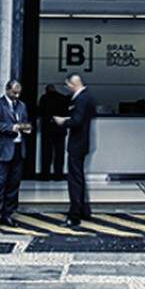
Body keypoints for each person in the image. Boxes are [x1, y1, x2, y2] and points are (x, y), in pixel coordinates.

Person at [0, 79, 30, 231]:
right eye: (14, 92)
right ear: (7, 89)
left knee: (13, 185)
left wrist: (26, 127)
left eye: (19, 93)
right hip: (2, 151)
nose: (17, 96)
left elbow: (25, 122)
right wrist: (11, 127)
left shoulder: (22, 105)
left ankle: (8, 215)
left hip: (18, 150)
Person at [53, 72, 97, 227]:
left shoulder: (80, 99)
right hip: (83, 143)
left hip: (77, 144)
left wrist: (63, 122)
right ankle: (84, 211)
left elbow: (77, 121)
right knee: (79, 178)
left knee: (74, 180)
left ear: (73, 84)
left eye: (68, 85)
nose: (67, 88)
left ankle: (74, 216)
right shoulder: (88, 97)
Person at [38, 84, 69, 180]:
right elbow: (66, 112)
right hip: (60, 129)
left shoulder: (44, 98)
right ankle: (58, 175)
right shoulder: (63, 98)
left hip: (47, 129)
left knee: (46, 153)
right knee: (59, 153)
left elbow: (40, 112)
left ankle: (45, 175)